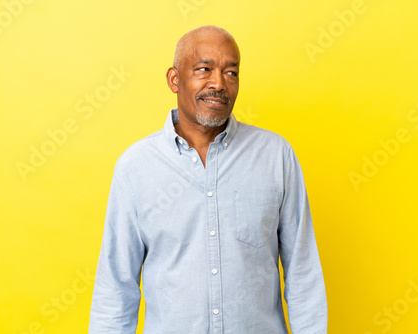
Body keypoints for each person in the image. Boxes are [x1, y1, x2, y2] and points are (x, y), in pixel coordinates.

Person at [88, 25, 327, 333]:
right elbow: (115, 288)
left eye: (231, 73)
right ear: (174, 79)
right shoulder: (136, 167)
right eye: (204, 69)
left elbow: (303, 272)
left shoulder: (275, 156)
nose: (219, 84)